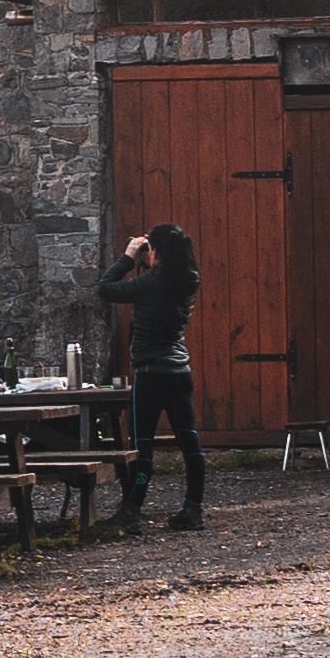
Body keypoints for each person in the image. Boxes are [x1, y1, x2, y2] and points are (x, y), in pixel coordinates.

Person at [104, 223, 212, 528]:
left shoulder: (151, 282)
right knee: (190, 443)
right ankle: (193, 508)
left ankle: (132, 510)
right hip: (179, 371)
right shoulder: (189, 279)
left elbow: (106, 287)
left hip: (151, 374)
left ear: (158, 251)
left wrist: (127, 257)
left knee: (143, 447)